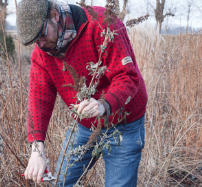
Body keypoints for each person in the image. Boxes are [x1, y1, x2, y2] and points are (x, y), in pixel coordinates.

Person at [16, 0, 148, 186]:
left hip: (124, 123)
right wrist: (37, 150)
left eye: (42, 34)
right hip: (85, 126)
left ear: (55, 15)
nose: (41, 43)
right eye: (35, 41)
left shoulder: (103, 24)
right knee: (61, 183)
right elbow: (38, 99)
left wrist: (103, 103)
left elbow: (128, 76)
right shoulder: (42, 52)